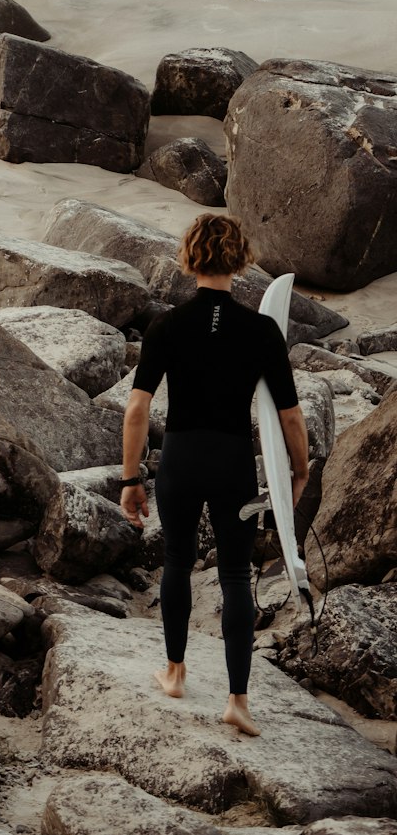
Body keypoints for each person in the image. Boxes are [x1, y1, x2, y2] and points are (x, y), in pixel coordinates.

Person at [119, 213, 309, 738]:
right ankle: (238, 701)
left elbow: (136, 411)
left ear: (189, 258)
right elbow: (290, 417)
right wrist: (299, 470)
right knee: (233, 577)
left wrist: (130, 480)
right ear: (241, 259)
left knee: (177, 561)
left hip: (180, 459)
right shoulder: (262, 330)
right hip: (232, 465)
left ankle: (175, 672)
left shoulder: (167, 325)